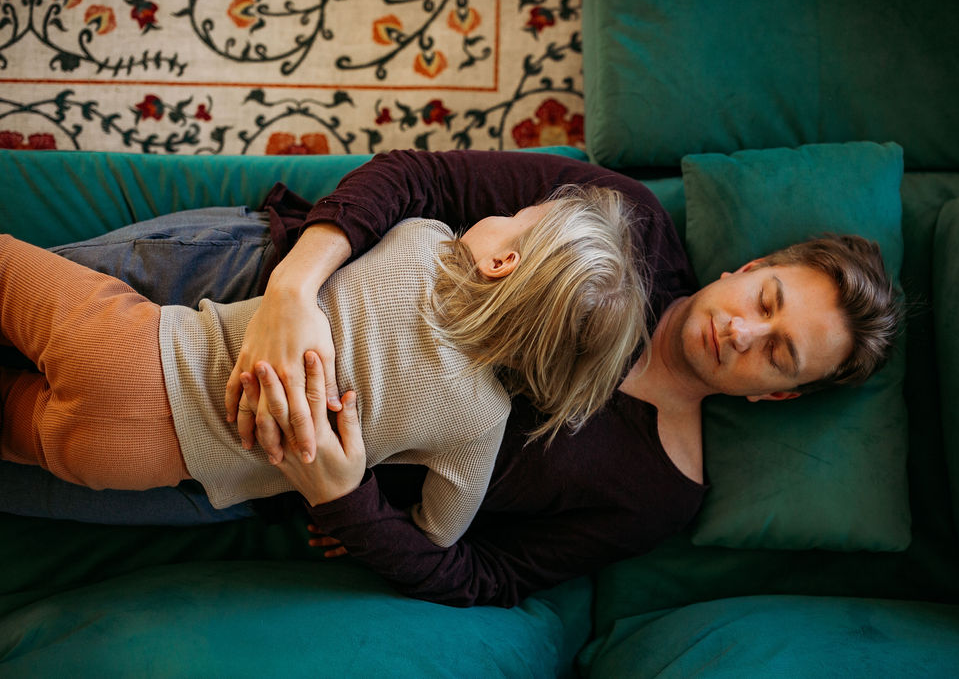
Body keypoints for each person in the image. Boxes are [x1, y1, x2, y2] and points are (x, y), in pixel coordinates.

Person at [0, 150, 901, 607]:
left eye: (777, 354)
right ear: (747, 266)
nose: (743, 329)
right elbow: (417, 176)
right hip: (242, 281)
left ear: (772, 396)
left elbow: (476, 574)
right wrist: (292, 290)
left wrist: (344, 499)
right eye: (769, 297)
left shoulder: (659, 493)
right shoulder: (625, 218)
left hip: (242, 452)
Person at [0, 184, 649, 548]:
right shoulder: (482, 425)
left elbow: (383, 193)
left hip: (134, 349)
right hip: (133, 460)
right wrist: (360, 520)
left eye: (511, 216)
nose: (492, 214)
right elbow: (439, 534)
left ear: (501, 262)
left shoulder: (424, 239)